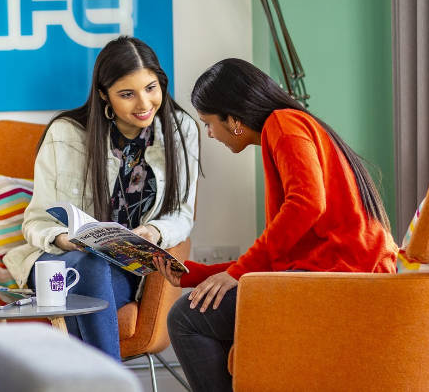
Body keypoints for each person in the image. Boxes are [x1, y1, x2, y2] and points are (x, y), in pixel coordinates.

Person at [153, 58, 397, 391]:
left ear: (234, 120)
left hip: (345, 282)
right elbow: (282, 260)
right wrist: (194, 274)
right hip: (337, 276)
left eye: (208, 123)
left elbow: (307, 204)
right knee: (198, 309)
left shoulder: (283, 124)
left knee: (186, 318)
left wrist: (236, 274)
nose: (209, 134)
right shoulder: (288, 127)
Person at [3, 36, 199, 361]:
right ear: (103, 95)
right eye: (127, 94)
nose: (144, 104)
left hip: (124, 272)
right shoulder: (66, 133)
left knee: (95, 272)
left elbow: (182, 214)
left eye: (151, 88)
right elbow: (36, 222)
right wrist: (67, 240)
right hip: (58, 263)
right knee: (92, 261)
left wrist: (153, 232)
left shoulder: (180, 131)